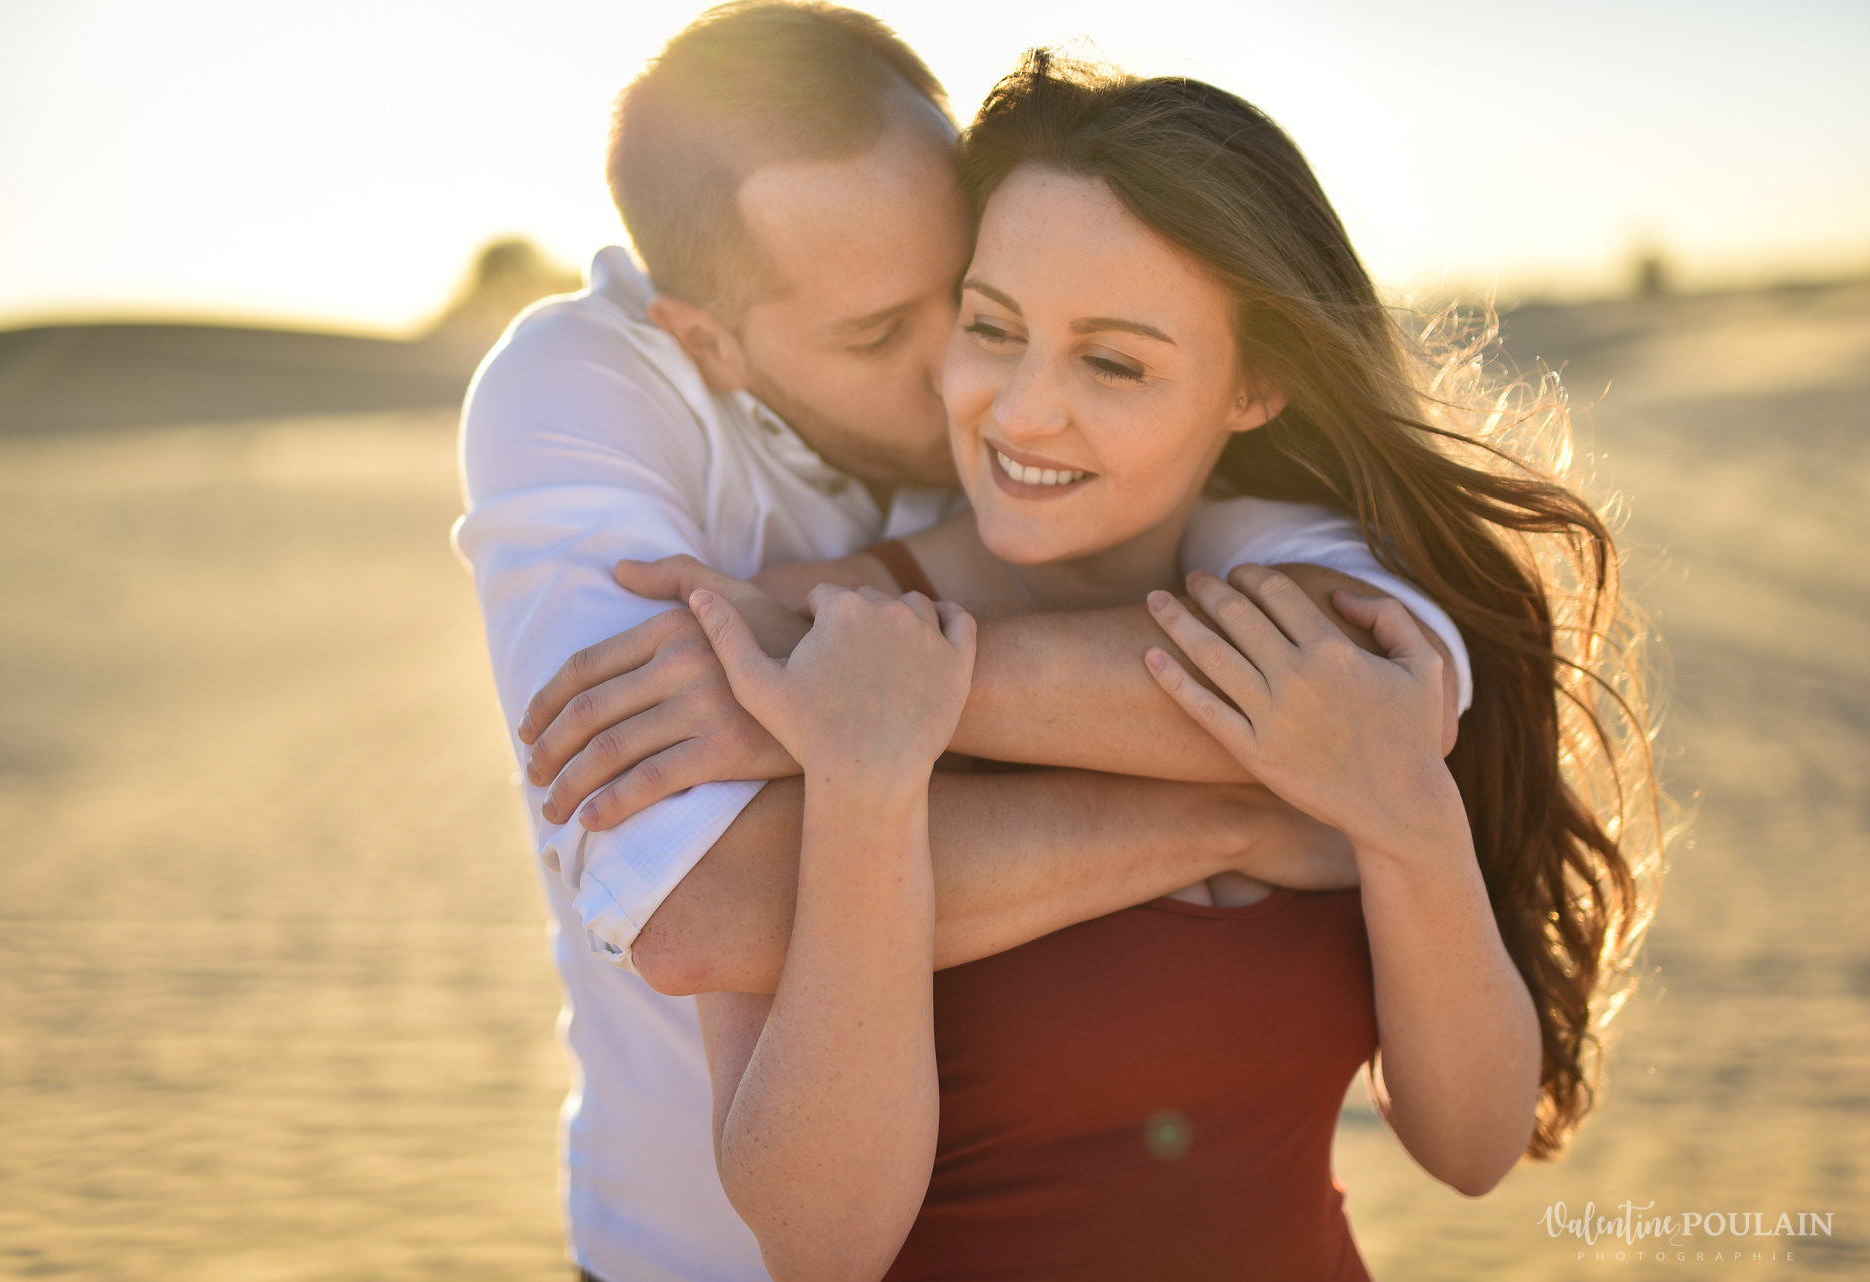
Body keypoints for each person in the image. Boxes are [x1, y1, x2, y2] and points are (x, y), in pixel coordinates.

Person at [454, 5, 1476, 1280]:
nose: (971, 371)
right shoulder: (585, 394)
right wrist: (1244, 819)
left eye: (973, 295)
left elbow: (1371, 680)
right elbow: (699, 899)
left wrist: (846, 682)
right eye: (885, 334)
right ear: (710, 342)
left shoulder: (1045, 391)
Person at [612, 48, 1666, 1282]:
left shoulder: (1328, 670)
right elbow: (819, 1241)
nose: (1019, 412)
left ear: (1256, 383)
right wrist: (868, 777)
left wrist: (1406, 817)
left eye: (1111, 362)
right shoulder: (817, 641)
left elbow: (1473, 1142)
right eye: (990, 327)